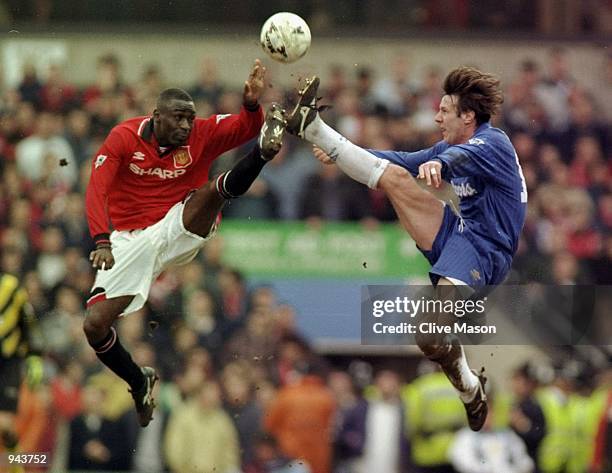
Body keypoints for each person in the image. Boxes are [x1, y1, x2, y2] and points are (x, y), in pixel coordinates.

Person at [285, 66, 527, 431]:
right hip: (459, 231)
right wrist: (338, 150)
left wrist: (438, 162)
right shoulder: (452, 146)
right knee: (395, 178)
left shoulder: (494, 144)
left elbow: (455, 160)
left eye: (444, 110)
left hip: (487, 252)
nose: (436, 116)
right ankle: (314, 127)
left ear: (468, 115)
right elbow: (396, 162)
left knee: (428, 336)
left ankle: (469, 387)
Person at [83, 59, 287, 427]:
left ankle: (262, 155)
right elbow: (96, 189)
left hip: (177, 222)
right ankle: (138, 380)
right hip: (130, 239)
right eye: (177, 118)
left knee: (210, 193)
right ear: (156, 116)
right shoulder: (123, 138)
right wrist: (101, 239)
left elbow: (245, 126)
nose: (185, 126)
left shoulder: (201, 133)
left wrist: (252, 104)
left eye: (190, 119)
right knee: (94, 326)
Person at [0, 271, 44, 473]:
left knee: (5, 426)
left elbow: (29, 322)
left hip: (9, 362)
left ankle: (15, 464)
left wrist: (34, 356)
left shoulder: (11, 287)